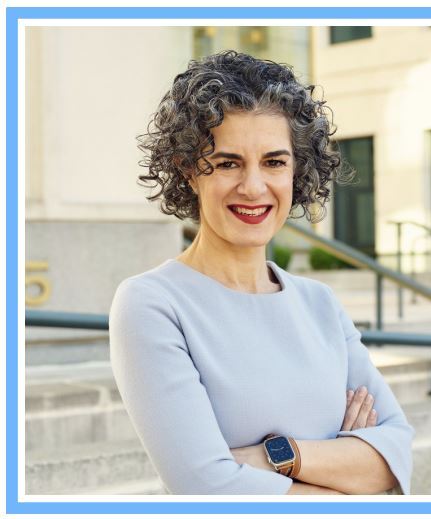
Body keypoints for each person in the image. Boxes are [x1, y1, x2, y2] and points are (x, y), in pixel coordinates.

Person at [109, 50, 414, 495]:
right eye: (228, 162)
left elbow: (395, 457)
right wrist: (346, 468)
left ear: (297, 170)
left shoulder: (320, 304)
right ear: (188, 170)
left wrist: (277, 455)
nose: (253, 187)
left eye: (274, 162)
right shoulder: (152, 304)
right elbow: (209, 490)